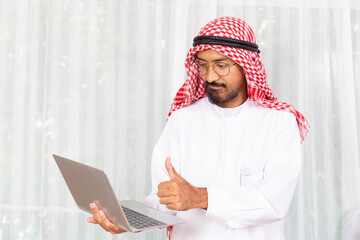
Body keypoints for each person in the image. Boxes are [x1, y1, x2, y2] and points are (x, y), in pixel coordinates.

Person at [87, 16, 310, 240]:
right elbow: (163, 200)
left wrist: (201, 197)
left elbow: (273, 202)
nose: (210, 76)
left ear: (246, 65)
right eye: (203, 66)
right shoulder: (182, 120)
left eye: (221, 66)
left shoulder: (279, 122)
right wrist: (124, 219)